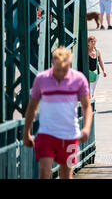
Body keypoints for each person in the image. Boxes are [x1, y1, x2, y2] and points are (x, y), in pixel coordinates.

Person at [22, 47, 92, 179]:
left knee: (66, 174)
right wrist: (26, 133)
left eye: (64, 70)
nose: (61, 73)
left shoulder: (79, 79)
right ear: (52, 64)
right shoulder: (41, 79)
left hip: (70, 135)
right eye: (57, 70)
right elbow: (32, 107)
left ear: (70, 65)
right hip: (46, 134)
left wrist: (87, 128)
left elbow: (87, 106)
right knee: (44, 173)